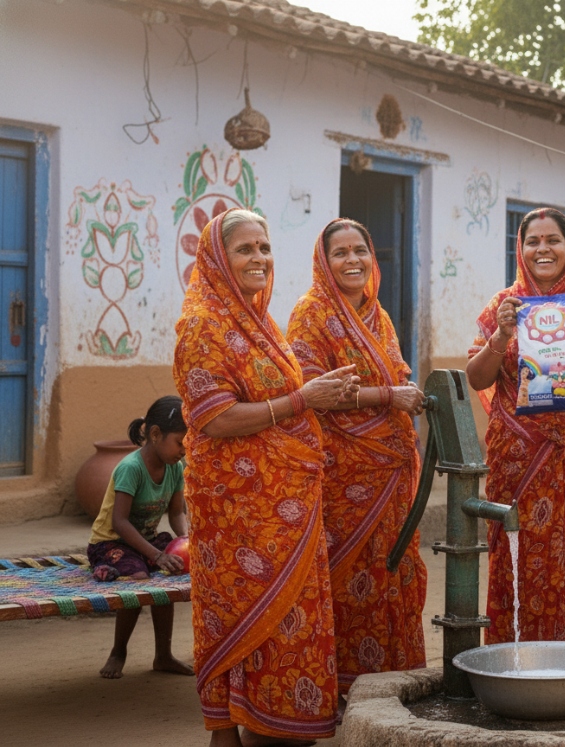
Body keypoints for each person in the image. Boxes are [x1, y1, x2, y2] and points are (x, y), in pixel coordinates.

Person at [174, 208, 358, 747]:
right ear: (217, 259)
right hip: (238, 509)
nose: (259, 258)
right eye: (245, 249)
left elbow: (279, 398)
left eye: (265, 247)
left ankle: (273, 719)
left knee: (291, 618)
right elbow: (216, 418)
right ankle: (239, 723)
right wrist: (305, 399)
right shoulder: (202, 325)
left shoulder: (260, 323)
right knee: (243, 612)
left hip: (288, 506)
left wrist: (318, 391)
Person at [466, 207, 565, 644]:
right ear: (519, 249)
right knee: (514, 561)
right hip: (517, 465)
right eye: (532, 241)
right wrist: (501, 336)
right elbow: (477, 378)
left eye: (552, 240)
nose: (543, 249)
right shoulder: (502, 308)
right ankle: (511, 664)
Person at [286, 219, 428, 709]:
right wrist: (392, 396)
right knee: (345, 576)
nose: (352, 261)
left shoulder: (378, 316)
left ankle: (393, 684)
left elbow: (397, 369)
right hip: (343, 471)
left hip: (389, 470)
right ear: (324, 262)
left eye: (360, 251)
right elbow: (313, 392)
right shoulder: (310, 315)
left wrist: (401, 390)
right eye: (341, 253)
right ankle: (345, 690)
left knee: (393, 572)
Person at [87, 395, 192, 680]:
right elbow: (118, 522)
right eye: (180, 442)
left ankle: (164, 655)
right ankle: (118, 651)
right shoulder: (131, 468)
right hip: (110, 542)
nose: (184, 450)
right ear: (155, 434)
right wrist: (156, 555)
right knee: (138, 579)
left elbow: (175, 514)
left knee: (172, 571)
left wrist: (185, 540)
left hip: (144, 540)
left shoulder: (175, 468)